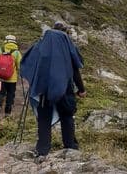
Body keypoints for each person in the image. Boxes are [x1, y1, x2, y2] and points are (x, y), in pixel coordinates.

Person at [20, 22, 86, 158]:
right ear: (64, 33)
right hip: (65, 89)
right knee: (67, 116)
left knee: (44, 118)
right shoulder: (67, 46)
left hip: (44, 89)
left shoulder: (41, 45)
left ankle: (42, 150)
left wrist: (34, 83)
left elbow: (29, 62)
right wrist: (81, 89)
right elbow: (75, 70)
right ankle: (70, 147)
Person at [0, 34, 22, 117]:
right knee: (10, 95)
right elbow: (19, 66)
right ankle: (7, 113)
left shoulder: (0, 50)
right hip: (12, 79)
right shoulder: (16, 52)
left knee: (0, 94)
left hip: (0, 77)